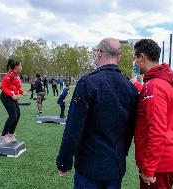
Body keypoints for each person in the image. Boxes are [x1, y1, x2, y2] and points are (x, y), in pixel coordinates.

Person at [56, 38, 138, 189]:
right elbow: (130, 129)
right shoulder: (130, 87)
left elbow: (73, 126)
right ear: (118, 56)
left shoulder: (87, 82)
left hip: (89, 166)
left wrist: (64, 161)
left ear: (100, 53)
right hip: (115, 164)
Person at [134, 39, 173, 189]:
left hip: (159, 162)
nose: (135, 63)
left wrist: (148, 169)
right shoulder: (164, 80)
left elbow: (156, 130)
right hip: (169, 153)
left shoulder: (153, 86)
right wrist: (138, 87)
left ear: (142, 57)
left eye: (135, 58)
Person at [0, 59, 27, 143]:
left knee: (18, 115)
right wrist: (12, 95)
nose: (21, 67)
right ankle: (3, 135)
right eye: (20, 66)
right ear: (16, 67)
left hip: (12, 98)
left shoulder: (16, 76)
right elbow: (2, 87)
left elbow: (16, 87)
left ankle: (11, 134)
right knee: (13, 116)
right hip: (6, 97)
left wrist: (22, 92)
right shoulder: (9, 75)